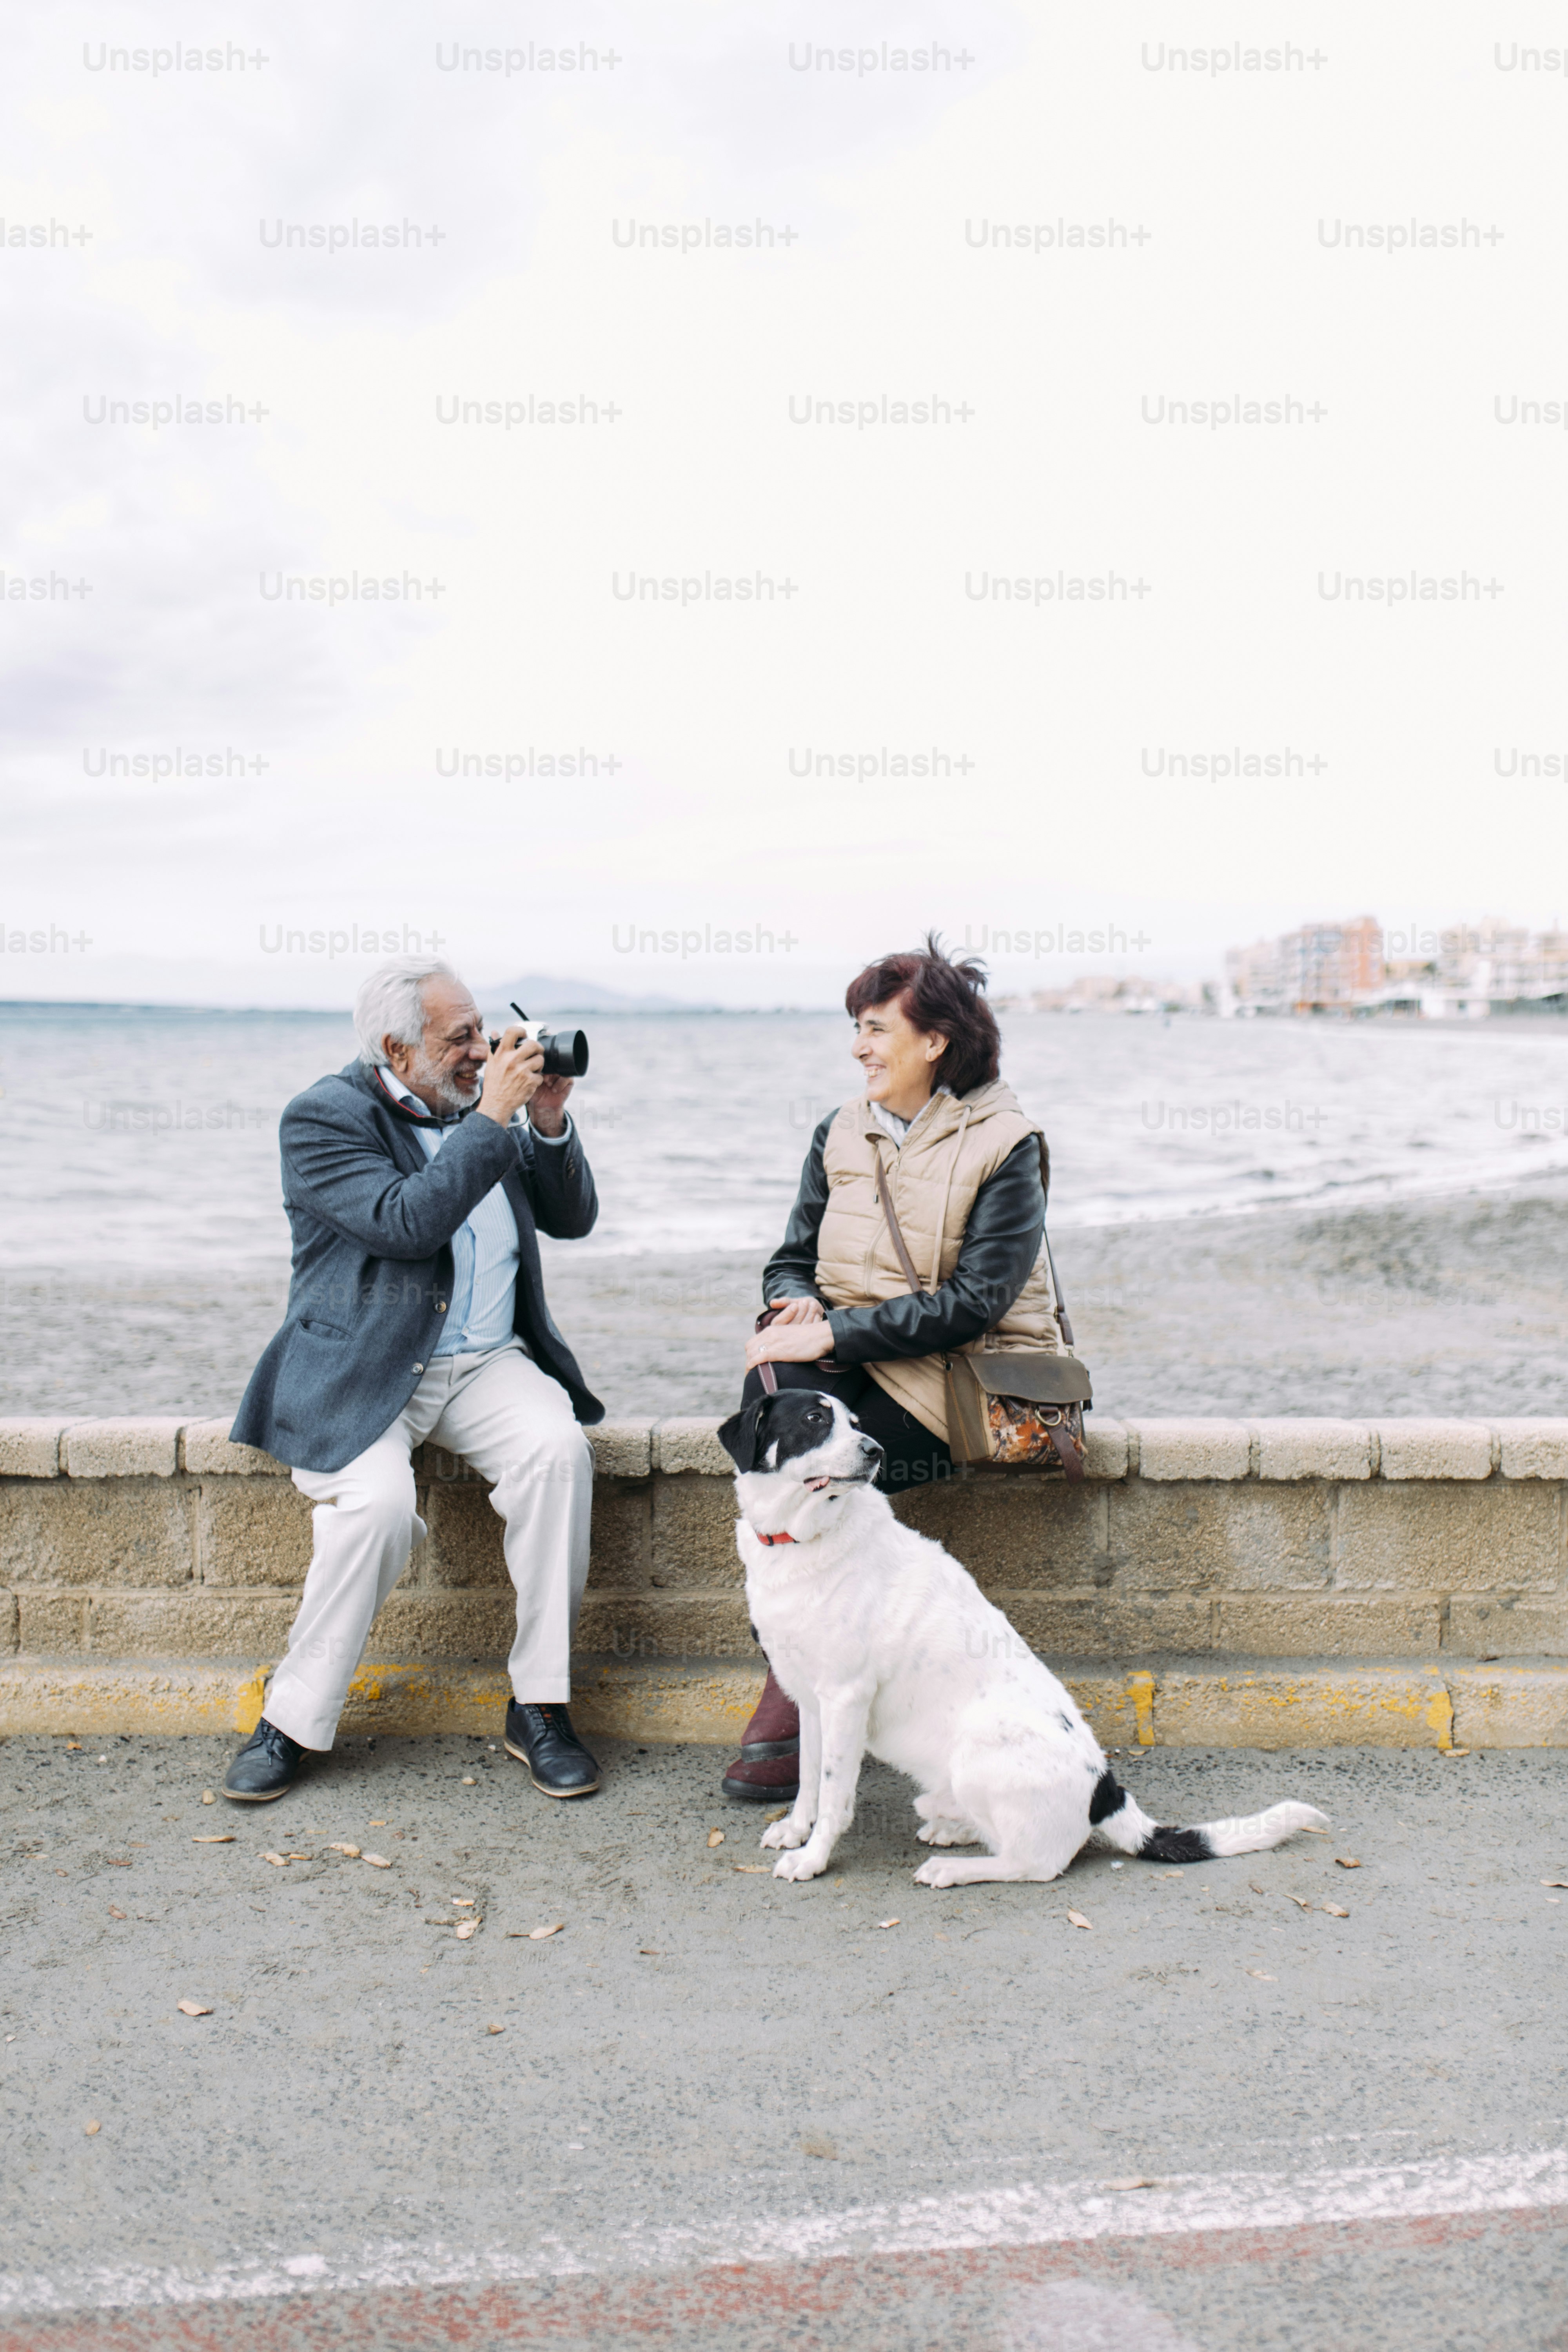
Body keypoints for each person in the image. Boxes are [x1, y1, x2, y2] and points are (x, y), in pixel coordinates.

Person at [222, 955, 605, 1804]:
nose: (483, 1050)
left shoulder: (484, 1111)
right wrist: (496, 1115)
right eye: (459, 1037)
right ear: (397, 1048)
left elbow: (572, 1221)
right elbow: (408, 1223)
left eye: (482, 1030)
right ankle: (290, 1719)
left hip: (486, 1363)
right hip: (361, 1364)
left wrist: (542, 1124)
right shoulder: (323, 1117)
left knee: (557, 1456)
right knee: (379, 1509)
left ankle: (540, 1706)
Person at [720, 934, 1070, 1803]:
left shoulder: (1007, 1143)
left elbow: (976, 1303)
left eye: (876, 1028)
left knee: (803, 1427)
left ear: (934, 1041)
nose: (858, 1047)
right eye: (855, 1028)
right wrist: (791, 1306)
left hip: (953, 1391)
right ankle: (797, 1668)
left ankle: (794, 1690)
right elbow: (789, 1256)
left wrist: (831, 1337)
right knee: (770, 1397)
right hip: (854, 1366)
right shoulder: (838, 1130)